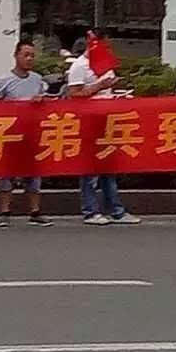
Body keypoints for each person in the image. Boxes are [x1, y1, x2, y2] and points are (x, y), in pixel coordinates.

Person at [66, 30, 140, 226]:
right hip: (89, 122)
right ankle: (90, 211)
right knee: (90, 170)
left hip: (108, 121)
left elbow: (108, 90)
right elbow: (74, 94)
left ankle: (116, 210)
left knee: (109, 168)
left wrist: (118, 95)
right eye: (104, 45)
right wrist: (99, 86)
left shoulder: (106, 65)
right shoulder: (79, 66)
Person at [0, 38, 52, 227]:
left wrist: (40, 101)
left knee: (33, 175)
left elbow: (47, 104)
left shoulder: (37, 79)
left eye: (32, 55)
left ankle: (35, 211)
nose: (29, 59)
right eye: (25, 55)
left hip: (32, 133)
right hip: (9, 134)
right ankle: (5, 212)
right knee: (6, 175)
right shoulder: (4, 80)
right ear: (16, 56)